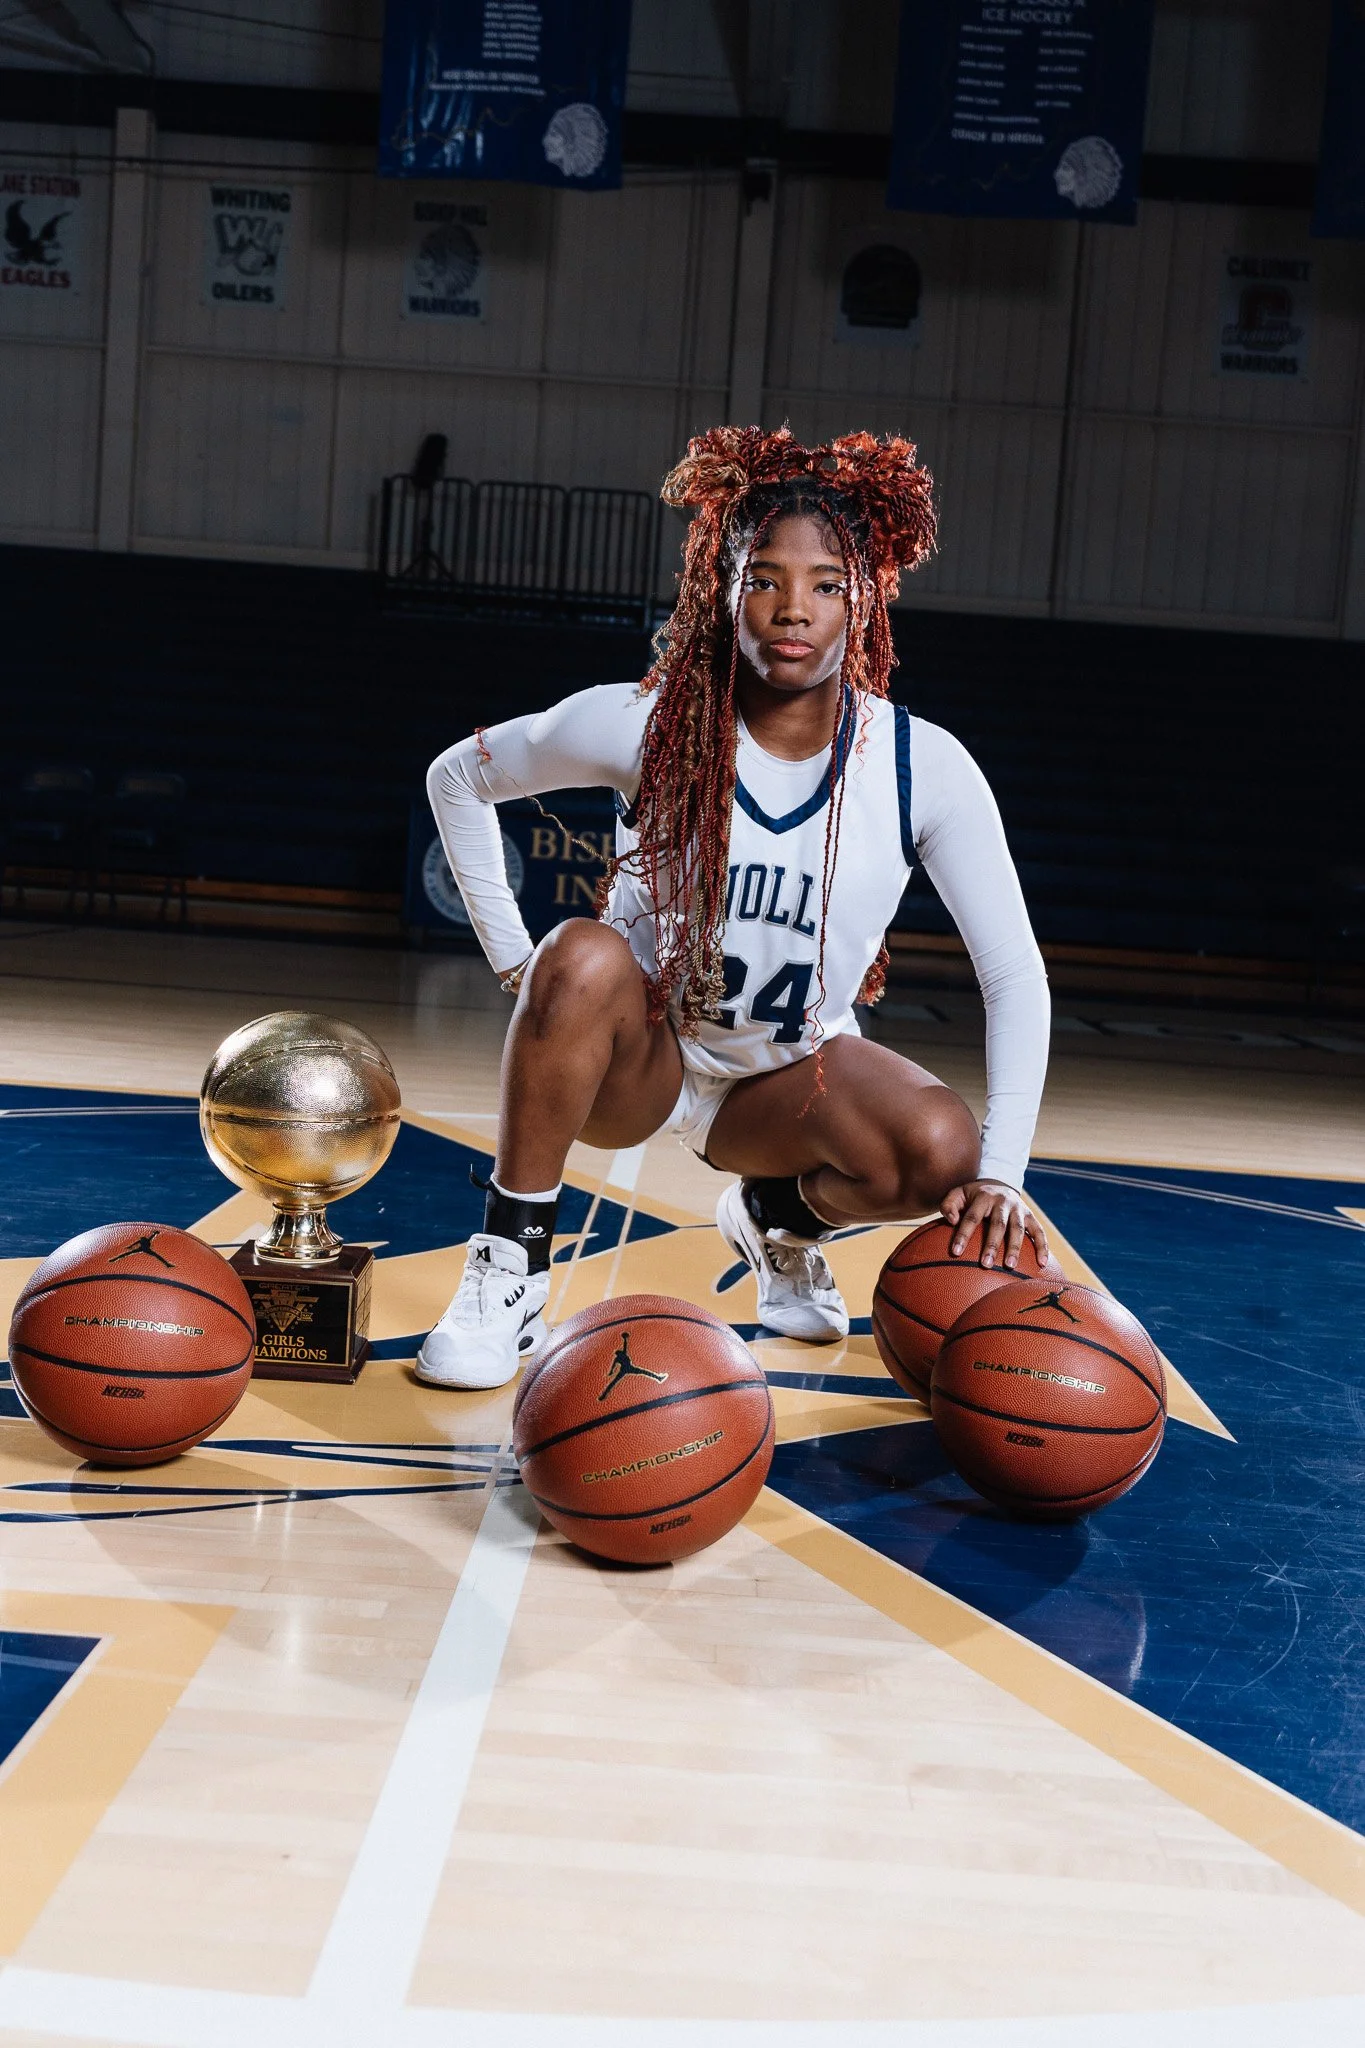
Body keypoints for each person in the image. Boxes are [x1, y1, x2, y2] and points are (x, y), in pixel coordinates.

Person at [420, 425, 1050, 1389]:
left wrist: (1001, 1172)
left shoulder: (923, 766)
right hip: (645, 1061)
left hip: (783, 1083)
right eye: (763, 578)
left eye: (826, 583)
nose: (792, 609)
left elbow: (1012, 976)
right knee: (580, 954)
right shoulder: (647, 719)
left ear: (866, 600)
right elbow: (457, 778)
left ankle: (775, 1221)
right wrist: (518, 966)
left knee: (941, 1148)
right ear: (720, 586)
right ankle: (509, 1263)